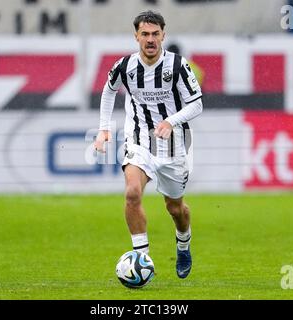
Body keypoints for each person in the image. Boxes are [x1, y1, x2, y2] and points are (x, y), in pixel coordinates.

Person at [94, 10, 203, 279]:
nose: (150, 39)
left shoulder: (178, 65)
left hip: (174, 145)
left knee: (175, 209)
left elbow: (196, 104)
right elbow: (109, 90)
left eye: (155, 34)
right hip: (139, 140)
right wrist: (104, 129)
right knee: (132, 193)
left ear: (163, 35)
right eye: (145, 34)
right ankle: (141, 259)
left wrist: (171, 121)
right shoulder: (125, 66)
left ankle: (183, 242)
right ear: (136, 36)